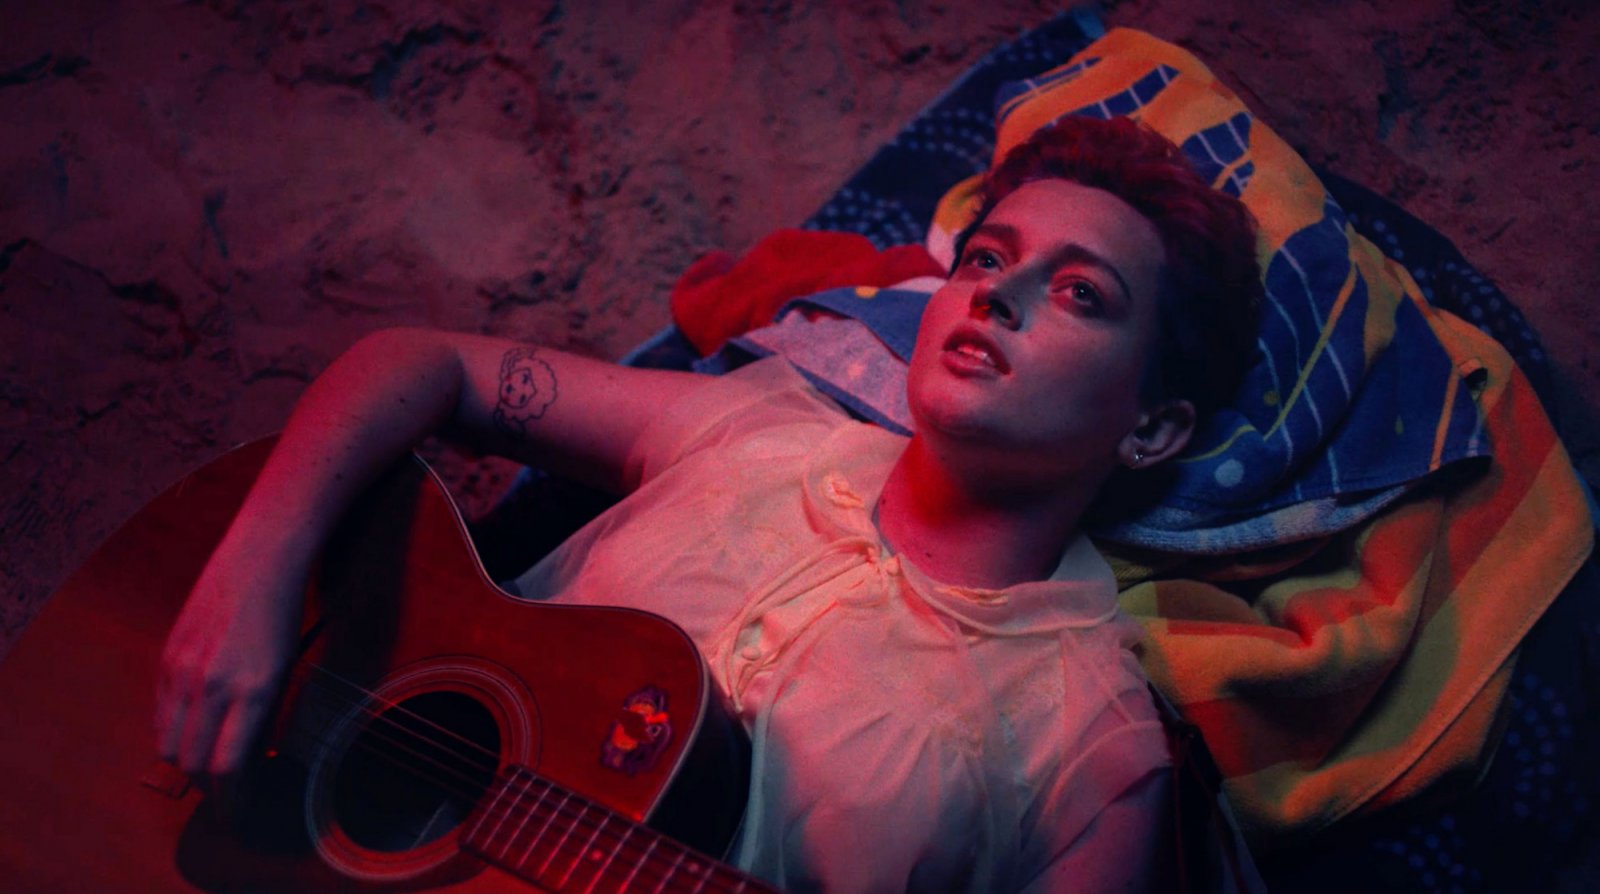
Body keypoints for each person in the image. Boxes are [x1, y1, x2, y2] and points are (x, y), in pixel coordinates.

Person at [156, 114, 1262, 892]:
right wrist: (255, 570)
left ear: (1152, 429)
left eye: (1079, 293)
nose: (999, 295)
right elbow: (426, 362)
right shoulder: (756, 426)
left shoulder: (1095, 758)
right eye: (984, 257)